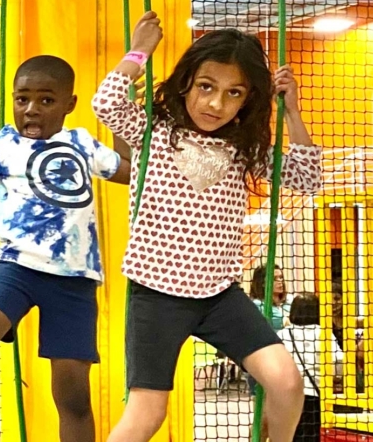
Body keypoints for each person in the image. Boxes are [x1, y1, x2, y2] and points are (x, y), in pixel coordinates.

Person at [92, 12, 323, 442]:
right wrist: (139, 50)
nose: (216, 104)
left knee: (287, 382)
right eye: (206, 87)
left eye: (233, 93)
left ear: (247, 101)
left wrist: (291, 112)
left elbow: (308, 179)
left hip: (219, 294)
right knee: (148, 412)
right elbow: (105, 102)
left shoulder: (243, 148)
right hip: (157, 292)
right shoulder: (153, 130)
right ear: (186, 83)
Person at [0, 54, 130, 441]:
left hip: (73, 280)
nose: (32, 110)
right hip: (15, 268)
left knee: (73, 396)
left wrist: (120, 113)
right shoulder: (1, 143)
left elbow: (129, 170)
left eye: (46, 100)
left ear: (69, 104)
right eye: (22, 100)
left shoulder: (81, 143)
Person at [277, 294, 336, 442]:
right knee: (312, 435)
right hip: (314, 396)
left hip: (287, 397)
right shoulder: (323, 333)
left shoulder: (283, 334)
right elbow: (338, 362)